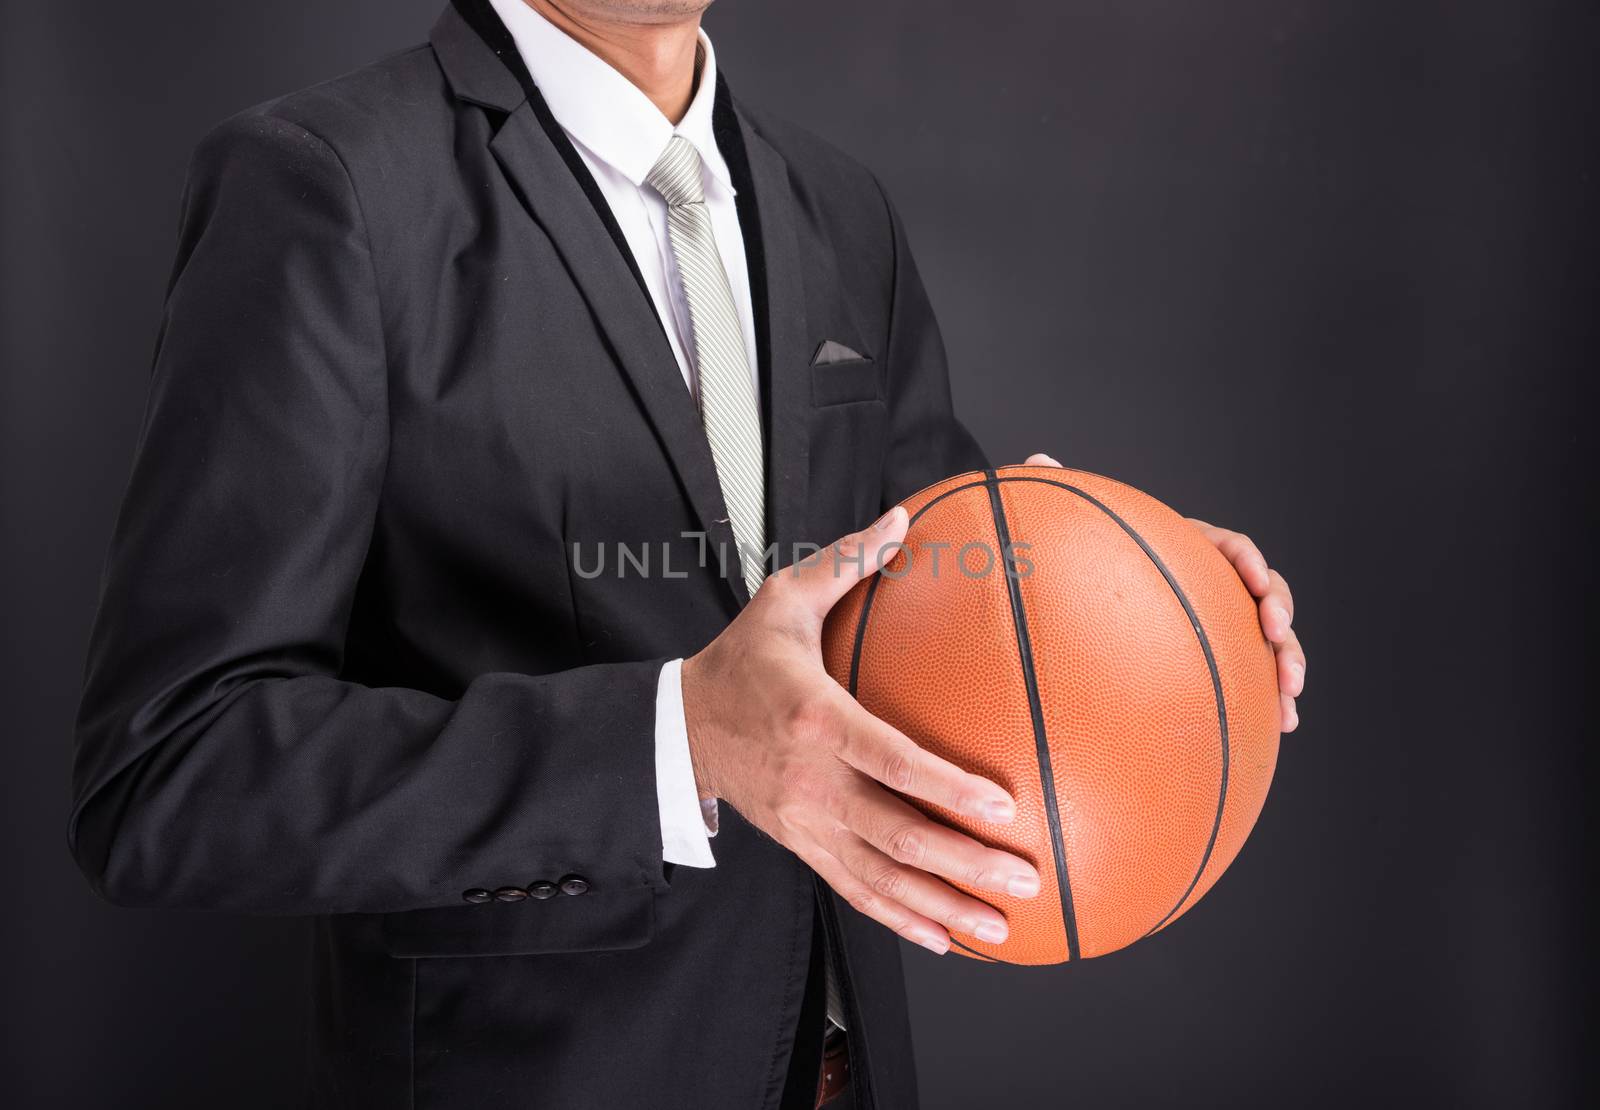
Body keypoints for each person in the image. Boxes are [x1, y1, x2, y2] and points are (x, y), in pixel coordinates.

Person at [68, 1, 1307, 1106]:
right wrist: (678, 737)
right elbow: (172, 771)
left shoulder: (839, 208)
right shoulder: (329, 182)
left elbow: (936, 600)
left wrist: (1140, 601)